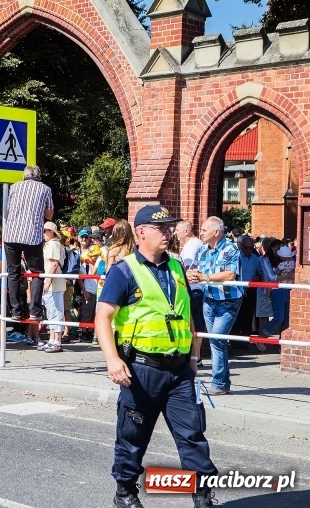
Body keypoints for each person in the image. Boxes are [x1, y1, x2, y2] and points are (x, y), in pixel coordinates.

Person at [95, 204, 217, 508]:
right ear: (141, 233)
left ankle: (202, 496)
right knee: (133, 437)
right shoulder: (123, 271)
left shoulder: (176, 267)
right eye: (161, 228)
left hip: (178, 371)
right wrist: (112, 360)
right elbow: (102, 317)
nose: (169, 232)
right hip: (141, 370)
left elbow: (187, 314)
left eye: (170, 227)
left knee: (193, 436)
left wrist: (193, 358)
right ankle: (125, 492)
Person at [187, 216, 242, 396]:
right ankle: (223, 383)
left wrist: (205, 277)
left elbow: (230, 275)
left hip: (228, 301)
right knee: (215, 341)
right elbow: (194, 269)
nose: (200, 233)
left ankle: (219, 383)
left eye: (204, 230)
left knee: (217, 340)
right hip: (209, 299)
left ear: (216, 232)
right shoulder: (202, 250)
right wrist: (192, 275)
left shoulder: (231, 248)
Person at [4, 165, 54, 322]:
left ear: (24, 176)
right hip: (32, 236)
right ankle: (35, 311)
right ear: (39, 177)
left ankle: (15, 310)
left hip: (11, 235)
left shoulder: (14, 187)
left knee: (13, 273)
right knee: (37, 273)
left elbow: (8, 210)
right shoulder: (45, 189)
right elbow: (49, 214)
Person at [176, 220, 206, 365]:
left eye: (177, 230)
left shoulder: (191, 246)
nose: (175, 233)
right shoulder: (195, 244)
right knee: (195, 321)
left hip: (194, 289)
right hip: (196, 288)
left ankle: (196, 356)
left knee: (194, 322)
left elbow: (185, 269)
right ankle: (195, 355)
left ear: (186, 231)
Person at [258, 245, 293, 348]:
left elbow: (274, 277)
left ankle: (263, 338)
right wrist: (289, 276)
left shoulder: (280, 264)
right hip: (285, 289)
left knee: (281, 317)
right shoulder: (293, 263)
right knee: (282, 318)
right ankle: (265, 338)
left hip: (279, 289)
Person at [39, 222, 66, 353]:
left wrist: (48, 281)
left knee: (56, 311)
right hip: (51, 282)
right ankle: (52, 339)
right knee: (50, 312)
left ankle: (57, 341)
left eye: (45, 230)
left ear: (51, 232)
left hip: (54, 282)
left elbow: (54, 264)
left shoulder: (54, 244)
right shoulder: (50, 244)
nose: (43, 232)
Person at [230, 235, 259, 346]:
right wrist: (241, 288)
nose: (248, 250)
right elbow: (234, 274)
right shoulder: (236, 257)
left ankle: (245, 341)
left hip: (251, 289)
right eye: (245, 247)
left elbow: (258, 272)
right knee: (237, 316)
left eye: (250, 248)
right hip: (238, 288)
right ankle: (235, 341)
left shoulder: (255, 258)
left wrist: (257, 277)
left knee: (248, 316)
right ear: (241, 247)